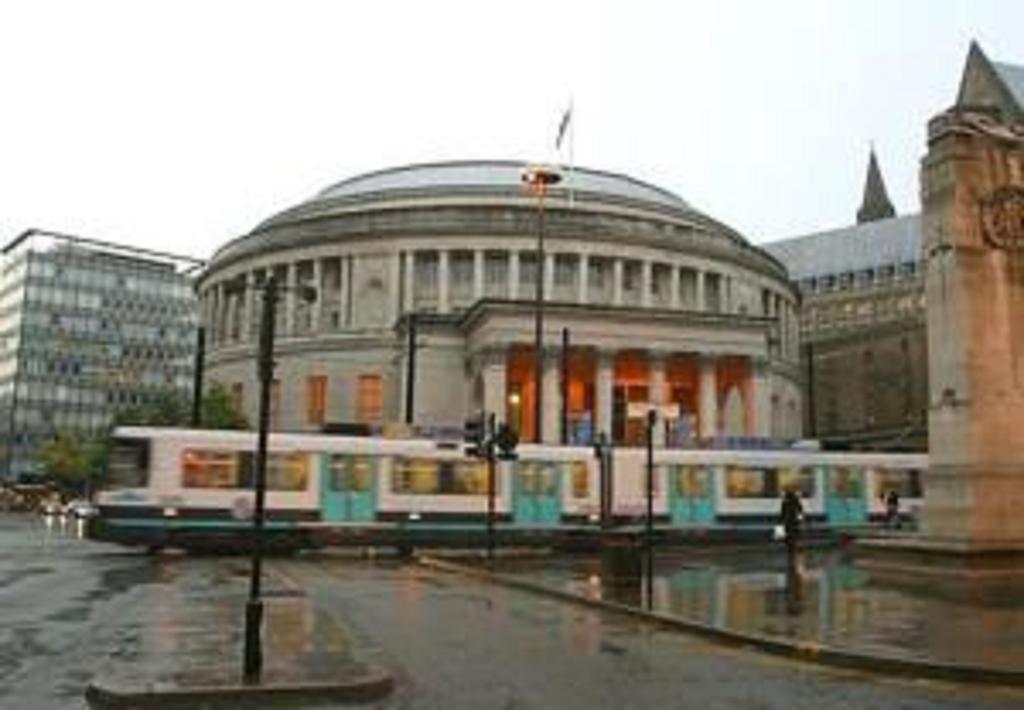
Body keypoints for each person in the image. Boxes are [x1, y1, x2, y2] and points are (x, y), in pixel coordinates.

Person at [779, 488, 804, 561]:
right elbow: (800, 513)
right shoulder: (797, 502)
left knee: (789, 540)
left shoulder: (785, 503)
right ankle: (793, 553)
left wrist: (781, 522)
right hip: (795, 524)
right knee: (795, 538)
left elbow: (782, 514)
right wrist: (800, 520)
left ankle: (790, 552)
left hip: (787, 524)